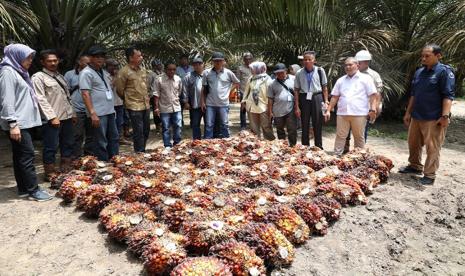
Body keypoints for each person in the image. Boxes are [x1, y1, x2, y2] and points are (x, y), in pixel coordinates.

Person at [0, 43, 53, 201]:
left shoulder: (19, 72)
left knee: (20, 156)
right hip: (18, 123)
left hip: (24, 122)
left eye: (31, 57)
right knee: (27, 155)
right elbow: (7, 100)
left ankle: (23, 188)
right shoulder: (8, 72)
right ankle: (34, 190)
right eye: (27, 57)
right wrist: (13, 124)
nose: (30, 60)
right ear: (16, 56)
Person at [398, 44, 455, 185]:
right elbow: (414, 94)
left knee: (433, 147)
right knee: (413, 143)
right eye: (422, 56)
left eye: (427, 56)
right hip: (417, 115)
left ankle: (429, 175)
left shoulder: (444, 72)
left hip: (434, 117)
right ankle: (414, 166)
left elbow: (448, 96)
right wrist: (408, 112)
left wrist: (445, 116)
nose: (423, 58)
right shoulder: (419, 72)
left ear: (438, 56)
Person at [32, 49, 76, 181]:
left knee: (67, 143)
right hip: (53, 119)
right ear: (42, 62)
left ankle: (65, 168)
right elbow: (40, 99)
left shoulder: (59, 76)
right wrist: (52, 117)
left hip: (66, 117)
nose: (53, 63)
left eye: (55, 60)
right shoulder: (38, 77)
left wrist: (72, 113)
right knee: (51, 146)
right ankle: (49, 172)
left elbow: (67, 97)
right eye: (49, 61)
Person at [324, 57, 377, 155]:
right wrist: (328, 110)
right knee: (340, 136)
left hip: (359, 114)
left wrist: (373, 109)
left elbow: (373, 95)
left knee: (359, 137)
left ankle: (359, 158)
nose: (348, 67)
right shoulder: (341, 80)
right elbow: (335, 96)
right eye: (346, 65)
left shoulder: (366, 79)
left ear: (357, 65)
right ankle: (337, 156)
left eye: (350, 64)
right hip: (343, 114)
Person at [80, 46, 119, 161]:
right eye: (97, 57)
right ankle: (103, 164)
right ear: (90, 58)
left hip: (109, 111)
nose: (100, 59)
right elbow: (85, 94)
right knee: (100, 141)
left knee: (114, 138)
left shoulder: (103, 72)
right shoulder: (86, 73)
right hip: (98, 113)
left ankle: (115, 161)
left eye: (102, 57)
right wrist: (92, 113)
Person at [344, 50, 383, 152]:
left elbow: (377, 93)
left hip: (365, 108)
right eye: (356, 62)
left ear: (366, 62)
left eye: (359, 63)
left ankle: (359, 151)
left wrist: (375, 108)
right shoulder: (351, 73)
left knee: (362, 130)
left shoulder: (374, 75)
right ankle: (345, 146)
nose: (357, 64)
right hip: (351, 107)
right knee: (346, 128)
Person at [115, 46, 150, 152]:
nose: (141, 57)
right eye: (138, 56)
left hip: (145, 105)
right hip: (134, 106)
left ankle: (142, 149)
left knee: (146, 130)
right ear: (131, 58)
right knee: (138, 131)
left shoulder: (142, 70)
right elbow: (120, 90)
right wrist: (128, 100)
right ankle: (140, 153)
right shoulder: (123, 72)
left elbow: (145, 87)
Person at [294, 51, 329, 148]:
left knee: (317, 123)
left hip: (317, 97)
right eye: (305, 59)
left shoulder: (320, 71)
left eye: (309, 59)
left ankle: (318, 146)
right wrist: (297, 106)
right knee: (304, 123)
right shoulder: (299, 73)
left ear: (314, 61)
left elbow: (324, 87)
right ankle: (305, 146)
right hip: (304, 98)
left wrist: (326, 101)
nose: (307, 61)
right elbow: (296, 90)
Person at [201, 52, 240, 139]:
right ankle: (208, 142)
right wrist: (202, 102)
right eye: (216, 61)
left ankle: (226, 141)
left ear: (223, 62)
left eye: (220, 61)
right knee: (209, 124)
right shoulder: (206, 73)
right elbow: (203, 88)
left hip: (223, 103)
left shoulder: (228, 73)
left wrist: (229, 92)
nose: (218, 62)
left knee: (224, 124)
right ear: (212, 62)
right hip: (210, 103)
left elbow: (237, 83)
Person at [64, 54, 93, 158]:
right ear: (79, 62)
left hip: (90, 109)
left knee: (91, 135)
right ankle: (76, 158)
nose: (88, 65)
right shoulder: (70, 74)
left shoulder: (92, 74)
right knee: (77, 135)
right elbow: (65, 92)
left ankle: (89, 157)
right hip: (77, 109)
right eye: (86, 63)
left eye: (90, 63)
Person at [242, 61, 275, 140]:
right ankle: (256, 144)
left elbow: (270, 95)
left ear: (258, 69)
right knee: (254, 127)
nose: (251, 70)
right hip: (251, 106)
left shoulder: (268, 80)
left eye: (252, 69)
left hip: (263, 106)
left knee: (266, 126)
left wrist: (270, 108)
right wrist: (243, 102)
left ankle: (269, 144)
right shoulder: (251, 78)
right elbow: (246, 91)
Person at [153, 61, 183, 147]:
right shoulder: (159, 79)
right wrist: (156, 108)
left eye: (174, 69)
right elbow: (156, 94)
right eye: (170, 69)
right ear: (165, 70)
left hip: (176, 107)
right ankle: (167, 145)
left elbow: (179, 92)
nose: (172, 71)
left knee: (178, 126)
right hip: (164, 108)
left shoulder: (178, 79)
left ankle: (177, 144)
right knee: (166, 128)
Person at [267, 63, 297, 146]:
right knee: (280, 129)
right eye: (277, 73)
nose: (280, 74)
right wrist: (270, 112)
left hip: (290, 108)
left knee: (292, 129)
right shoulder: (272, 84)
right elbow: (270, 98)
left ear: (286, 71)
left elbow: (298, 93)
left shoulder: (294, 79)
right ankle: (282, 147)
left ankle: (292, 146)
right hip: (277, 110)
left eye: (281, 72)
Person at [106, 58, 130, 146]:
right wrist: (116, 77)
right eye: (114, 66)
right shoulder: (105, 76)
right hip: (110, 104)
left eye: (117, 66)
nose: (116, 68)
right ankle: (112, 140)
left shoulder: (120, 75)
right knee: (111, 123)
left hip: (119, 102)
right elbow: (109, 88)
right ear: (108, 66)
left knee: (120, 122)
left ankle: (120, 138)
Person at [182, 57, 205, 140]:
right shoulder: (188, 76)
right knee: (195, 124)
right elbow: (185, 90)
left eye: (199, 64)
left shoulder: (208, 75)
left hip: (207, 104)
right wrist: (186, 102)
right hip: (195, 105)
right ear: (193, 66)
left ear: (203, 64)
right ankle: (197, 141)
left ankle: (208, 141)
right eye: (195, 64)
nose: (197, 66)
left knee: (209, 124)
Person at [236, 52, 253, 130]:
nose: (248, 60)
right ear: (244, 59)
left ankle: (253, 124)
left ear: (252, 59)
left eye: (249, 59)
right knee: (243, 108)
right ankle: (243, 125)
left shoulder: (254, 68)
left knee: (253, 108)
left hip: (253, 92)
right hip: (243, 91)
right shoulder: (240, 68)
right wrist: (238, 92)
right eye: (246, 59)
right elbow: (237, 81)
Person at [147, 58, 164, 132]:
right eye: (158, 65)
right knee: (156, 110)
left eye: (160, 64)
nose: (160, 66)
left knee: (163, 109)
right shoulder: (151, 74)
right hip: (154, 95)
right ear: (154, 66)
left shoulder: (163, 73)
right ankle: (158, 125)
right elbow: (148, 84)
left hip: (162, 94)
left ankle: (163, 124)